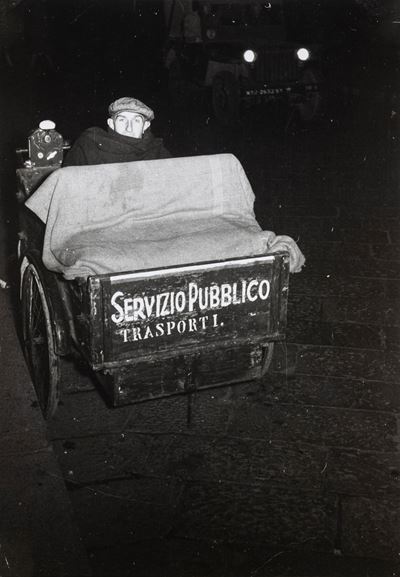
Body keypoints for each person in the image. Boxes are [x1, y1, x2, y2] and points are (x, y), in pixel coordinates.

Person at [63, 96, 170, 166]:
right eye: (122, 120)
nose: (129, 128)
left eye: (136, 121)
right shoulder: (89, 146)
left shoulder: (158, 152)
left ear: (145, 126)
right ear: (111, 124)